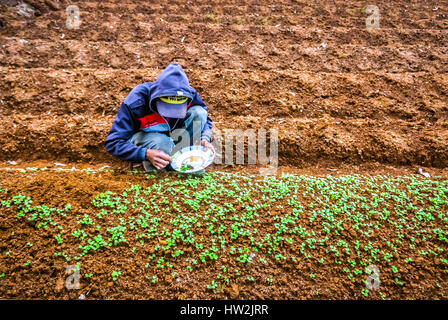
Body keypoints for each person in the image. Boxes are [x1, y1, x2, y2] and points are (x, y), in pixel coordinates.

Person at [105, 63, 214, 171]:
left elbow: (205, 118)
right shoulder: (136, 102)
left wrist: (204, 138)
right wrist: (145, 153)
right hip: (149, 139)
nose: (172, 114)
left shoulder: (188, 94)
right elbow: (113, 142)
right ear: (156, 98)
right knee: (161, 142)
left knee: (199, 113)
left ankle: (184, 160)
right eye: (168, 108)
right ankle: (159, 175)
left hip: (177, 136)